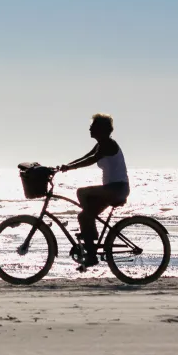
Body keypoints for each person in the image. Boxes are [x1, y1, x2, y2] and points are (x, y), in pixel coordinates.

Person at [58, 113, 130, 268]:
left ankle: (91, 234)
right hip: (112, 189)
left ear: (101, 129)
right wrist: (65, 166)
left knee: (82, 193)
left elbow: (91, 160)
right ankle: (91, 252)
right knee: (84, 216)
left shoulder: (107, 144)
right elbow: (86, 156)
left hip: (117, 189)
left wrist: (69, 168)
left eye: (93, 126)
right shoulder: (101, 144)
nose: (90, 128)